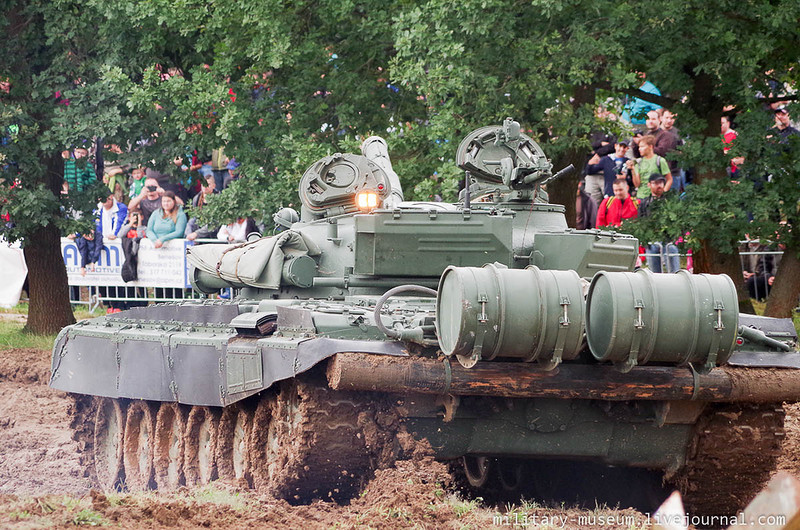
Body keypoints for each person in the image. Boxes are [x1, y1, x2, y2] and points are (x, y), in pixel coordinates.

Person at [638, 173, 679, 273]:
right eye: (656, 183)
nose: (659, 185)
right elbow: (641, 222)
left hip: (668, 240)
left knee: (675, 272)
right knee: (654, 275)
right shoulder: (644, 203)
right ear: (649, 185)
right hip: (651, 241)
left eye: (661, 182)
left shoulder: (670, 200)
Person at [185, 176, 220, 241]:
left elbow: (215, 223)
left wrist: (196, 234)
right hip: (198, 235)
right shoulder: (197, 198)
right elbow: (193, 218)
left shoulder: (219, 199)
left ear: (214, 186)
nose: (205, 186)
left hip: (214, 236)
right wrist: (188, 233)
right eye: (203, 184)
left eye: (208, 184)